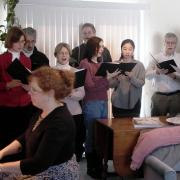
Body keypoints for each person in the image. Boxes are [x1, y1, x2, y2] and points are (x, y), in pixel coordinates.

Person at [0, 67, 79, 180]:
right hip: (41, 168)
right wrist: (2, 152)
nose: (29, 92)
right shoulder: (42, 111)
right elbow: (26, 137)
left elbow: (38, 164)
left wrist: (1, 167)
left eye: (34, 90)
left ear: (50, 93)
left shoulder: (60, 123)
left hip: (54, 174)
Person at [0, 26, 36, 150]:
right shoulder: (1, 59)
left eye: (23, 41)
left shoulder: (26, 60)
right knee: (7, 138)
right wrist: (7, 85)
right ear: (10, 41)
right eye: (18, 41)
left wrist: (28, 86)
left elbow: (29, 80)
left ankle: (21, 166)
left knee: (23, 138)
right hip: (7, 106)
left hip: (25, 105)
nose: (21, 45)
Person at [79, 36, 109, 178]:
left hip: (103, 101)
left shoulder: (102, 62)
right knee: (91, 134)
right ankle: (91, 168)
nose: (102, 49)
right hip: (91, 103)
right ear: (93, 47)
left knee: (102, 134)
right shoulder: (84, 63)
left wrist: (108, 79)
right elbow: (89, 86)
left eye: (103, 46)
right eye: (100, 46)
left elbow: (107, 85)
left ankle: (99, 165)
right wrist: (105, 79)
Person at [54, 42, 86, 162]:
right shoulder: (51, 72)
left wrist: (71, 94)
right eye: (61, 53)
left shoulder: (76, 72)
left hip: (74, 111)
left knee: (76, 139)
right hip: (57, 111)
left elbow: (82, 93)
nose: (64, 55)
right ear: (56, 55)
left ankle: (75, 162)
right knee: (59, 140)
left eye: (66, 53)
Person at [108, 39, 145, 117]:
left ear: (133, 50)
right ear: (121, 50)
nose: (127, 51)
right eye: (124, 49)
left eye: (130, 49)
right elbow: (110, 85)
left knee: (133, 127)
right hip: (118, 102)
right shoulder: (115, 64)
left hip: (134, 102)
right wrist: (116, 79)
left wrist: (132, 77)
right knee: (118, 127)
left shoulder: (139, 65)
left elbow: (141, 83)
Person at [146, 32, 180, 116]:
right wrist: (156, 72)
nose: (170, 45)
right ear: (163, 43)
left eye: (173, 43)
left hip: (176, 96)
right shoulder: (156, 58)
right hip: (159, 97)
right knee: (157, 123)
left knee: (175, 125)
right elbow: (147, 75)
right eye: (168, 42)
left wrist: (174, 76)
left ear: (176, 44)